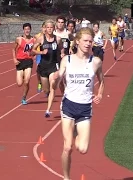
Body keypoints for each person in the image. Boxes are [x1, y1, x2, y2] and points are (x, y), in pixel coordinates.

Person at [54, 27, 104, 180]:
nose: (88, 44)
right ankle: (66, 177)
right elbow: (57, 82)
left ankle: (75, 130)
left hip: (85, 108)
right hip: (68, 105)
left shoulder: (95, 62)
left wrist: (100, 94)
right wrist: (56, 78)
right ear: (77, 42)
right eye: (85, 41)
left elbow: (102, 81)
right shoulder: (67, 60)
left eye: (91, 41)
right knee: (67, 147)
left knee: (82, 149)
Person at [32, 19, 64, 118]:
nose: (50, 29)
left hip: (53, 66)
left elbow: (61, 48)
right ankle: (47, 92)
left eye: (51, 27)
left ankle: (48, 110)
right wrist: (41, 52)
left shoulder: (57, 39)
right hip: (43, 67)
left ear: (54, 28)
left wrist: (62, 54)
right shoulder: (41, 39)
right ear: (45, 28)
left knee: (53, 85)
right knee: (46, 90)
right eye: (48, 27)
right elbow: (32, 51)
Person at [12, 23, 35, 105]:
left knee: (27, 81)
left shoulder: (34, 40)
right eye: (25, 29)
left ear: (30, 30)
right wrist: (14, 59)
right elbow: (13, 49)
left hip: (28, 61)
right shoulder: (19, 39)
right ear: (23, 30)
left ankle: (24, 97)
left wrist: (34, 55)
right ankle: (22, 77)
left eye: (28, 29)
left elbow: (35, 50)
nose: (27, 31)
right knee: (19, 83)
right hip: (20, 61)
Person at [34, 22, 46, 93]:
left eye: (46, 27)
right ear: (41, 28)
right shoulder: (37, 36)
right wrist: (35, 53)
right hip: (39, 55)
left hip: (48, 54)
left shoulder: (50, 36)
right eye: (44, 27)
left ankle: (47, 87)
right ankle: (39, 83)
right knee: (38, 70)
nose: (45, 29)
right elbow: (34, 47)